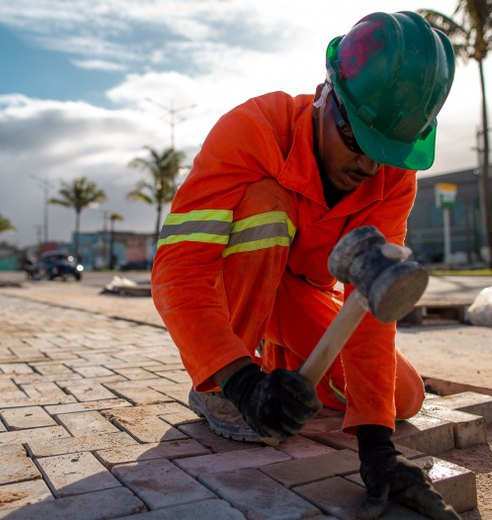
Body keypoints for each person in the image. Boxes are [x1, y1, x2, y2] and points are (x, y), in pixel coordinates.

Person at [152, 11, 458, 520]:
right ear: (325, 95)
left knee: (401, 399)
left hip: (297, 296)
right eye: (358, 140)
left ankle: (278, 372)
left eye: (386, 152)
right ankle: (221, 386)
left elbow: (370, 303)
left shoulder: (392, 177)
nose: (369, 167)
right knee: (266, 207)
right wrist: (239, 382)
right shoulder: (252, 130)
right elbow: (179, 271)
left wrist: (377, 451)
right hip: (239, 290)